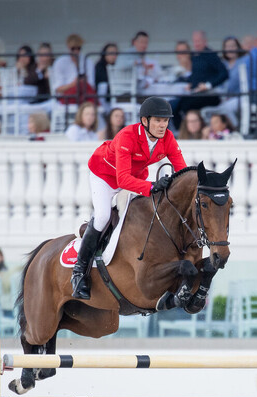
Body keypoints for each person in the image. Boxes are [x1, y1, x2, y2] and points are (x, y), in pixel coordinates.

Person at [72, 97, 187, 299]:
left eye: (166, 121)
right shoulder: (127, 136)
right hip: (104, 176)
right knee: (102, 216)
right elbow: (122, 179)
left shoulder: (168, 138)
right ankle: (79, 272)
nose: (163, 125)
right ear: (145, 121)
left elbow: (182, 172)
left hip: (135, 176)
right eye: (158, 120)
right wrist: (152, 186)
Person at [172, 31, 228, 129]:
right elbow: (195, 75)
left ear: (205, 41)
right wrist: (189, 83)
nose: (196, 44)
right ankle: (181, 131)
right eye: (195, 41)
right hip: (195, 93)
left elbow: (224, 74)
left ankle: (190, 130)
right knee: (173, 105)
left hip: (209, 95)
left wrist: (208, 85)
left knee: (183, 106)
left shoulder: (211, 55)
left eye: (199, 41)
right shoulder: (195, 56)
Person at [52, 34, 96, 105]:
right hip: (68, 96)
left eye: (78, 48)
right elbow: (58, 89)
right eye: (73, 49)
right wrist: (73, 84)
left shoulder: (87, 61)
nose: (76, 51)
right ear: (68, 47)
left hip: (84, 94)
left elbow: (91, 86)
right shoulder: (60, 62)